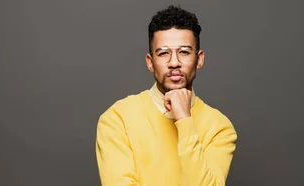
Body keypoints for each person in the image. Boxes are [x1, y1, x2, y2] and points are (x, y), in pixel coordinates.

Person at [95, 5, 238, 186]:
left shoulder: (220, 128)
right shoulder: (117, 118)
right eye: (163, 53)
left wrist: (185, 121)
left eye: (184, 52)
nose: (174, 63)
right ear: (150, 62)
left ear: (199, 59)